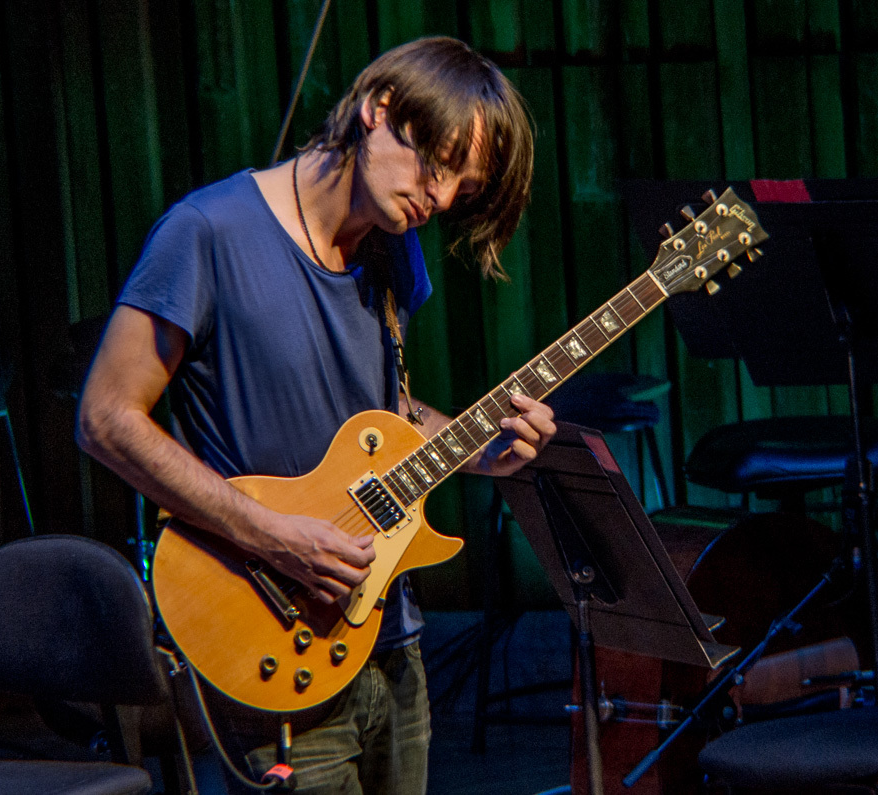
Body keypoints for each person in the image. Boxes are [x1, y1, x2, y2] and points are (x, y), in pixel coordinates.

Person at [76, 36, 555, 794]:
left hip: (394, 643)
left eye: (463, 186)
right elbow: (105, 417)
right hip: (275, 636)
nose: (441, 196)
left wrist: (481, 451)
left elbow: (389, 411)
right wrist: (275, 535)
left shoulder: (392, 249)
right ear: (380, 109)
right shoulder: (207, 233)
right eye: (439, 163)